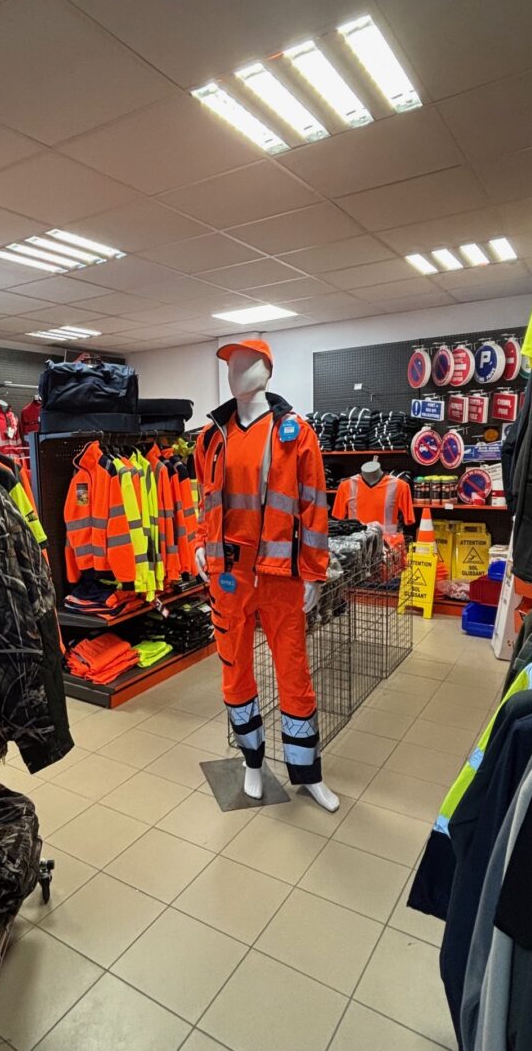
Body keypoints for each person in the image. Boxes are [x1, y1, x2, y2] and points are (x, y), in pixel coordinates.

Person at [194, 339, 338, 810]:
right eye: (231, 364)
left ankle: (308, 773)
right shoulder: (210, 437)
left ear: (267, 370)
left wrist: (314, 572)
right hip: (228, 577)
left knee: (294, 674)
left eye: (246, 363)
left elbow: (314, 506)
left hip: (281, 578)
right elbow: (204, 501)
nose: (235, 371)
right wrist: (199, 544)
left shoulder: (296, 433)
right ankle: (252, 762)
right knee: (235, 674)